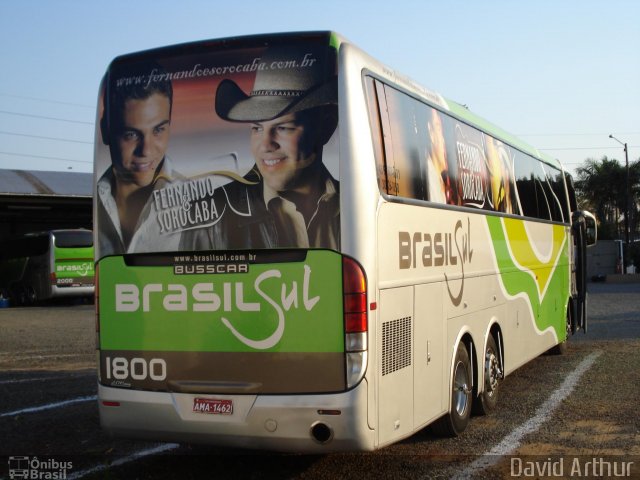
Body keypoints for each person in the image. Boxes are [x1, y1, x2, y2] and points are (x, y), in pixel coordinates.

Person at [181, 46, 339, 250]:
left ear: (326, 127)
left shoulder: (357, 206)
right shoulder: (205, 218)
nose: (265, 145)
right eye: (257, 128)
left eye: (283, 128)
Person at [96, 61, 183, 256]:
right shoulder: (96, 203)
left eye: (158, 130)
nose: (146, 150)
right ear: (105, 130)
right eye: (131, 134)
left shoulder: (196, 203)